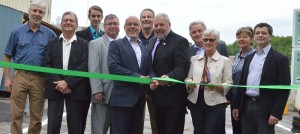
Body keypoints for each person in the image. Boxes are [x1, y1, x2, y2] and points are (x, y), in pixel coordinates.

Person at [3, 1, 56, 133]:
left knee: (36, 117)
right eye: (35, 11)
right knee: (16, 115)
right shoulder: (16, 31)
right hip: (20, 76)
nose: (37, 14)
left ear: (43, 14)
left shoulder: (50, 35)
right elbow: (7, 56)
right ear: (29, 12)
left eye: (40, 12)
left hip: (40, 79)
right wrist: (8, 79)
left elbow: (56, 57)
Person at [232, 23, 291, 134]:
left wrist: (276, 112)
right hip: (246, 105)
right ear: (254, 36)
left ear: (270, 37)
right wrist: (237, 105)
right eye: (257, 33)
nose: (260, 35)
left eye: (264, 33)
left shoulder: (280, 58)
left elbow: (284, 88)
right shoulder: (249, 58)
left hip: (265, 108)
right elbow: (242, 84)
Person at [43, 11, 91, 134]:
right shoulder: (51, 43)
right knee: (52, 126)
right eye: (66, 20)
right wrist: (60, 83)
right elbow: (46, 65)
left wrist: (68, 83)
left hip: (76, 89)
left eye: (71, 20)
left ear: (76, 25)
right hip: (55, 88)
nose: (68, 22)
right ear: (61, 23)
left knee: (75, 127)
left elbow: (84, 66)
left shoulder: (84, 45)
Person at [107, 16, 154, 134]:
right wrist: (137, 77)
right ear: (124, 28)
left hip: (139, 100)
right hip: (121, 100)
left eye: (135, 24)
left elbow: (149, 70)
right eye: (129, 24)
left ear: (140, 28)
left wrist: (154, 80)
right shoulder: (116, 45)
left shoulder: (145, 49)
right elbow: (113, 67)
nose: (132, 26)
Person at [148, 13, 190, 134]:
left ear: (169, 25)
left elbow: (182, 68)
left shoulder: (180, 41)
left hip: (173, 99)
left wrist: (169, 78)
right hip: (156, 97)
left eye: (161, 24)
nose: (158, 28)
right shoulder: (151, 41)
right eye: (155, 25)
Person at [185, 28, 232, 134]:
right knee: (198, 131)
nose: (208, 42)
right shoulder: (194, 59)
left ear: (217, 42)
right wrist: (189, 84)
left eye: (211, 40)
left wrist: (216, 86)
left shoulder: (225, 61)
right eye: (205, 39)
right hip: (196, 102)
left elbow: (228, 83)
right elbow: (188, 78)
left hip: (216, 103)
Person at [89, 14, 120, 134]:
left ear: (119, 26)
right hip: (103, 93)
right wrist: (97, 90)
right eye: (110, 24)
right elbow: (93, 68)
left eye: (115, 24)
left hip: (120, 94)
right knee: (100, 129)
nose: (113, 26)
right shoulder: (96, 43)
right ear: (104, 26)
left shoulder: (122, 44)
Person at [227, 26, 255, 134]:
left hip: (245, 101)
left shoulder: (254, 56)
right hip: (235, 99)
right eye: (239, 37)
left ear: (251, 39)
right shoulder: (237, 56)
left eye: (245, 37)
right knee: (237, 129)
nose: (241, 39)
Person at [138, 8, 158, 134]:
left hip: (154, 87)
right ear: (140, 20)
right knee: (136, 122)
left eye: (149, 17)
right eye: (143, 17)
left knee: (156, 122)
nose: (146, 19)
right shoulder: (133, 36)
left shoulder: (160, 37)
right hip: (137, 86)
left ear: (153, 19)